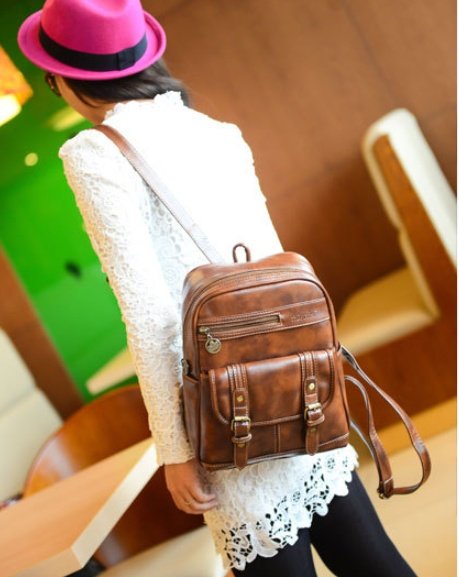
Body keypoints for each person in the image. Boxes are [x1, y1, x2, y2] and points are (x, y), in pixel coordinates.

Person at [18, 1, 419, 575]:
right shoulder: (215, 131)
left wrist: (176, 453)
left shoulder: (93, 153)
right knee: (376, 564)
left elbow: (149, 315)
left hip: (227, 409)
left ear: (66, 78)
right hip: (295, 381)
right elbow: (277, 270)